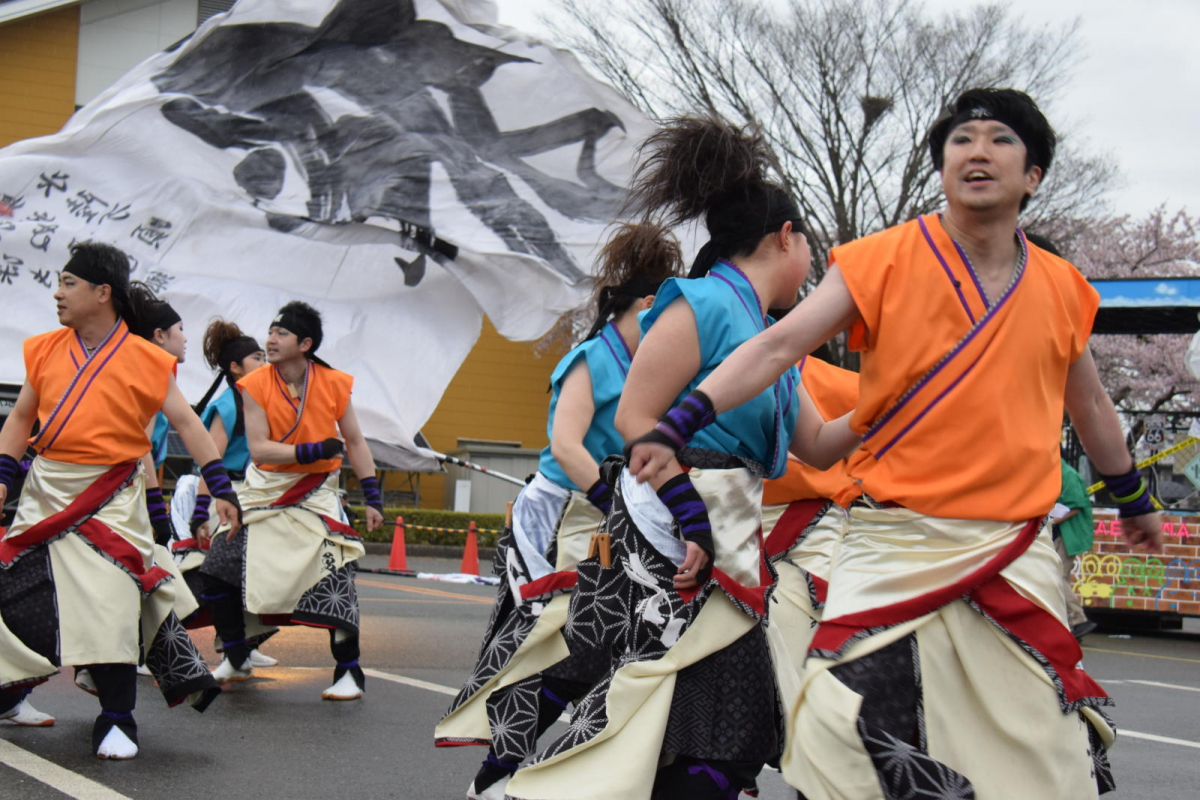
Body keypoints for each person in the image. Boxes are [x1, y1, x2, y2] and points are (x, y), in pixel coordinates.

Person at [627, 90, 1163, 799]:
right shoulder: (880, 259)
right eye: (960, 139)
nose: (977, 150)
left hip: (1010, 547)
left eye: (1000, 139)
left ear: (1033, 174)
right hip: (893, 542)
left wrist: (1130, 493)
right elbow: (780, 345)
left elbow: (1089, 401)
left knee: (1038, 745)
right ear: (941, 167)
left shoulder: (1063, 287)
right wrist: (680, 420)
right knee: (833, 724)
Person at [508, 118, 857, 800]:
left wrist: (895, 398)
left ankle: (512, 776)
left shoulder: (773, 336)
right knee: (694, 727)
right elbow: (639, 423)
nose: (812, 265)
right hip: (676, 530)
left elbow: (816, 444)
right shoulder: (701, 302)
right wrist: (689, 513)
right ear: (786, 237)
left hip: (726, 539)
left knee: (702, 733)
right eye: (809, 246)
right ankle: (506, 773)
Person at [437, 222, 684, 800]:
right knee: (551, 645)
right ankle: (493, 778)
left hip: (623, 516)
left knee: (620, 647)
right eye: (669, 306)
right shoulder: (591, 357)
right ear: (648, 303)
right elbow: (569, 446)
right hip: (562, 517)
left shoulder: (661, 365)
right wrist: (614, 499)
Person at [0, 241, 240, 759]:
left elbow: (186, 423)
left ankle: (117, 719)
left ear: (101, 293)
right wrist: (2, 473)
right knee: (19, 594)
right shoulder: (43, 348)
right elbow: (21, 417)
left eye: (68, 283)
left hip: (111, 497)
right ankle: (11, 693)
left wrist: (219, 487)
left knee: (111, 604)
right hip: (45, 490)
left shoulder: (146, 359)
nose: (58, 293)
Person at [200, 300, 384, 700]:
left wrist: (373, 495)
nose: (270, 340)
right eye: (270, 331)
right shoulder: (254, 385)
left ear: (305, 343)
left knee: (336, 579)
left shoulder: (334, 383)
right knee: (217, 567)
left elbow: (353, 440)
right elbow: (261, 449)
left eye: (280, 333)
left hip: (317, 495)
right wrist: (314, 450)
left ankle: (349, 671)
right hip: (265, 489)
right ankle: (236, 654)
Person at [757, 352, 860, 791]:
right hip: (721, 532)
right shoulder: (710, 365)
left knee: (811, 687)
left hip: (812, 539)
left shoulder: (842, 384)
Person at [168, 319, 279, 667]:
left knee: (261, 570)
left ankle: (242, 644)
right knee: (223, 574)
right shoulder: (229, 405)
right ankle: (231, 646)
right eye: (257, 358)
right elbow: (209, 461)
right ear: (235, 367)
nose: (264, 364)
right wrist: (201, 510)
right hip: (223, 492)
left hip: (251, 491)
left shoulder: (260, 401)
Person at [1052, 458, 1096, 640]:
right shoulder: (1059, 472)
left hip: (1069, 534)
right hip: (1064, 533)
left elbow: (1076, 505)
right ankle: (1069, 624)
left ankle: (1078, 620)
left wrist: (1051, 521)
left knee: (1056, 576)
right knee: (1058, 577)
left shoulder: (1068, 474)